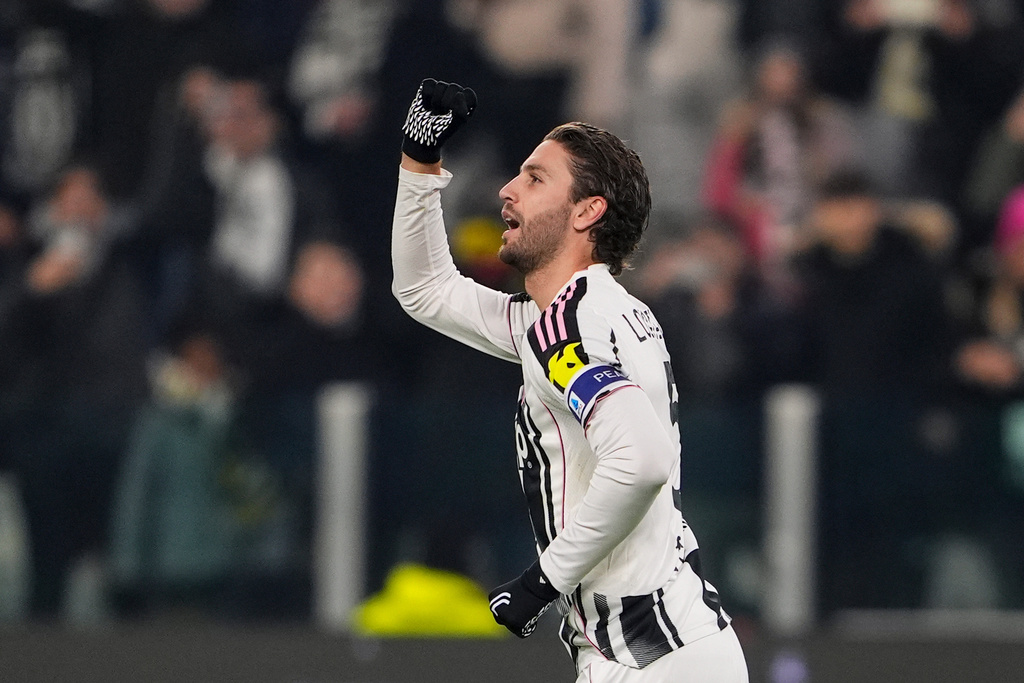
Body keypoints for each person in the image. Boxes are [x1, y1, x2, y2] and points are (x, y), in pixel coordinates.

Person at [391, 79, 747, 682]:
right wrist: (420, 158)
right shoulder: (583, 311)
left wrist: (542, 581)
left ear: (588, 210)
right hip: (654, 648)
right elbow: (424, 289)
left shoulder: (567, 325)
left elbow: (640, 459)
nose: (507, 190)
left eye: (535, 179)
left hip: (651, 653)